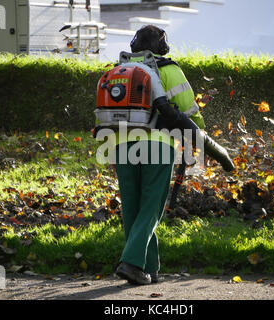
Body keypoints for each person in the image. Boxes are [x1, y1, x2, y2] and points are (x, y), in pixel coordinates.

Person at [114, 25, 205, 285]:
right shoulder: (168, 69)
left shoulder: (119, 71)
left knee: (133, 208)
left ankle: (149, 268)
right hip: (156, 145)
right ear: (162, 47)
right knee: (151, 207)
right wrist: (199, 136)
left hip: (121, 145)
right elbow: (189, 110)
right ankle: (131, 263)